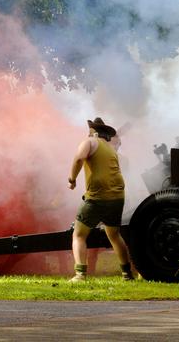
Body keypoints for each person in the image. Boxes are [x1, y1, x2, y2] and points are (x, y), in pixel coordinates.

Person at [67, 117, 133, 282]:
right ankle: (127, 274)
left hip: (97, 197)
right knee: (114, 235)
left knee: (79, 234)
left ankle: (80, 274)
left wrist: (72, 179)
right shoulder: (112, 150)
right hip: (117, 197)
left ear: (94, 132)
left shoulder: (89, 141)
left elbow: (79, 158)